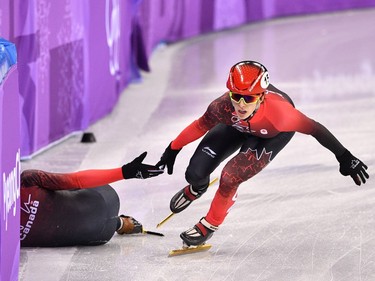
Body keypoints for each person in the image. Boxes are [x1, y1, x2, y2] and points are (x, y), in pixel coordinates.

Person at [156, 60, 369, 247]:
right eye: (236, 96)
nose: (240, 104)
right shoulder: (223, 107)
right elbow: (199, 126)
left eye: (248, 99)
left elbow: (315, 129)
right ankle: (198, 187)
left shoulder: (282, 114)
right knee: (194, 173)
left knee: (230, 177)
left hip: (271, 134)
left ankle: (211, 223)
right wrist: (173, 148)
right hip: (236, 127)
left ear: (261, 96)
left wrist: (344, 156)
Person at [21, 152, 164, 247]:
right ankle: (122, 223)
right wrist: (125, 172)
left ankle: (119, 223)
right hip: (104, 202)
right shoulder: (27, 181)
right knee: (64, 188)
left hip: (98, 235)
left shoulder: (5, 236)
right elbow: (76, 180)